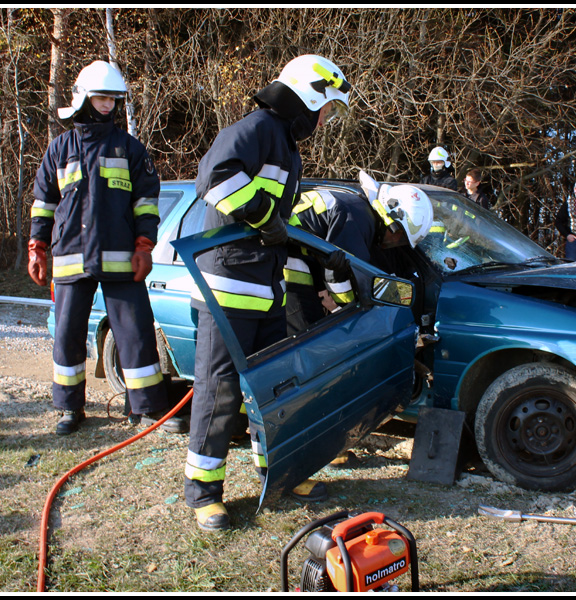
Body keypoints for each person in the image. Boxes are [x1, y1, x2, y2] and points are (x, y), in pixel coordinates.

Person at [185, 54, 352, 532]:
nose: (325, 121)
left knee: (273, 391)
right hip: (228, 289)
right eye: (327, 108)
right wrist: (265, 217)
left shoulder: (288, 150)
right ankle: (204, 494)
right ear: (308, 95)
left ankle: (280, 471)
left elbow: (285, 221)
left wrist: (320, 251)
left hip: (267, 290)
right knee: (219, 393)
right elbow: (214, 177)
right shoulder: (257, 128)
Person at [29, 60, 184, 436]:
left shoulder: (129, 149)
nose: (107, 105)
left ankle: (146, 409)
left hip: (120, 258)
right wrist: (38, 244)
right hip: (69, 258)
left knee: (134, 333)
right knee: (67, 335)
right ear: (83, 98)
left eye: (113, 99)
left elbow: (147, 201)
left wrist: (145, 244)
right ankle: (69, 409)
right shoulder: (59, 149)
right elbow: (43, 202)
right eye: (101, 98)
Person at [285, 176, 434, 331]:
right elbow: (336, 276)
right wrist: (353, 309)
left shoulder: (360, 211)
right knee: (306, 334)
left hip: (289, 246)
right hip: (286, 251)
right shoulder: (358, 220)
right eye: (401, 236)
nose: (396, 242)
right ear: (392, 221)